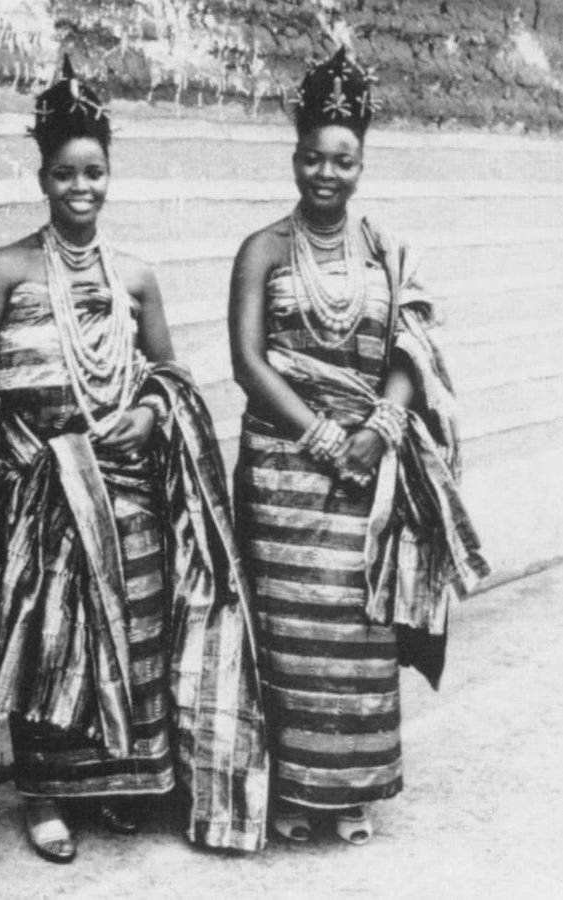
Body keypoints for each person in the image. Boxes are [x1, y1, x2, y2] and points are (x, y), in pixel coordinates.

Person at [0, 57, 267, 863]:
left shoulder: (138, 279)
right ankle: (46, 797)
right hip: (38, 491)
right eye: (63, 174)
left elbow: (167, 381)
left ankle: (120, 784)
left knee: (135, 638)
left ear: (109, 175)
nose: (80, 188)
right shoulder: (5, 271)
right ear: (42, 177)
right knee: (45, 641)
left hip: (126, 495)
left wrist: (150, 414)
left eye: (93, 173)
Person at [229, 47, 489, 845]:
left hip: (363, 473)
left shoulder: (383, 250)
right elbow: (246, 360)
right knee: (285, 636)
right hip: (281, 471)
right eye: (312, 156)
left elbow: (413, 353)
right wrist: (318, 436)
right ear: (294, 156)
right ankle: (293, 797)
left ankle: (345, 794)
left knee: (354, 633)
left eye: (342, 159)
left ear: (361, 162)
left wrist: (377, 433)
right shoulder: (263, 249)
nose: (325, 174)